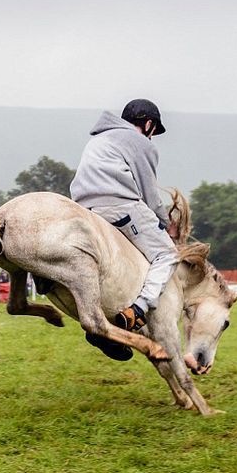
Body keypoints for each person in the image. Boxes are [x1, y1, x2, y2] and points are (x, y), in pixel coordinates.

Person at [70, 99, 179, 345]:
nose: (153, 137)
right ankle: (139, 309)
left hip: (83, 209)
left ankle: (102, 324)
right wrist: (165, 223)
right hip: (119, 205)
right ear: (149, 124)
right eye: (154, 132)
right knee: (168, 255)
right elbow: (149, 194)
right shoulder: (141, 143)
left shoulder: (97, 139)